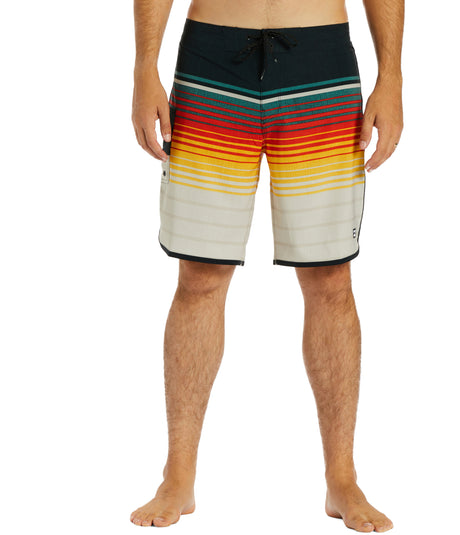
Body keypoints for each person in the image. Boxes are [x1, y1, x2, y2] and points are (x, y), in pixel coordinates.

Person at [130, 0, 403, 531]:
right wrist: (145, 66)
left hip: (320, 60)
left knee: (330, 278)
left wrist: (390, 75)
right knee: (200, 276)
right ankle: (178, 475)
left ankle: (342, 478)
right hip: (211, 56)